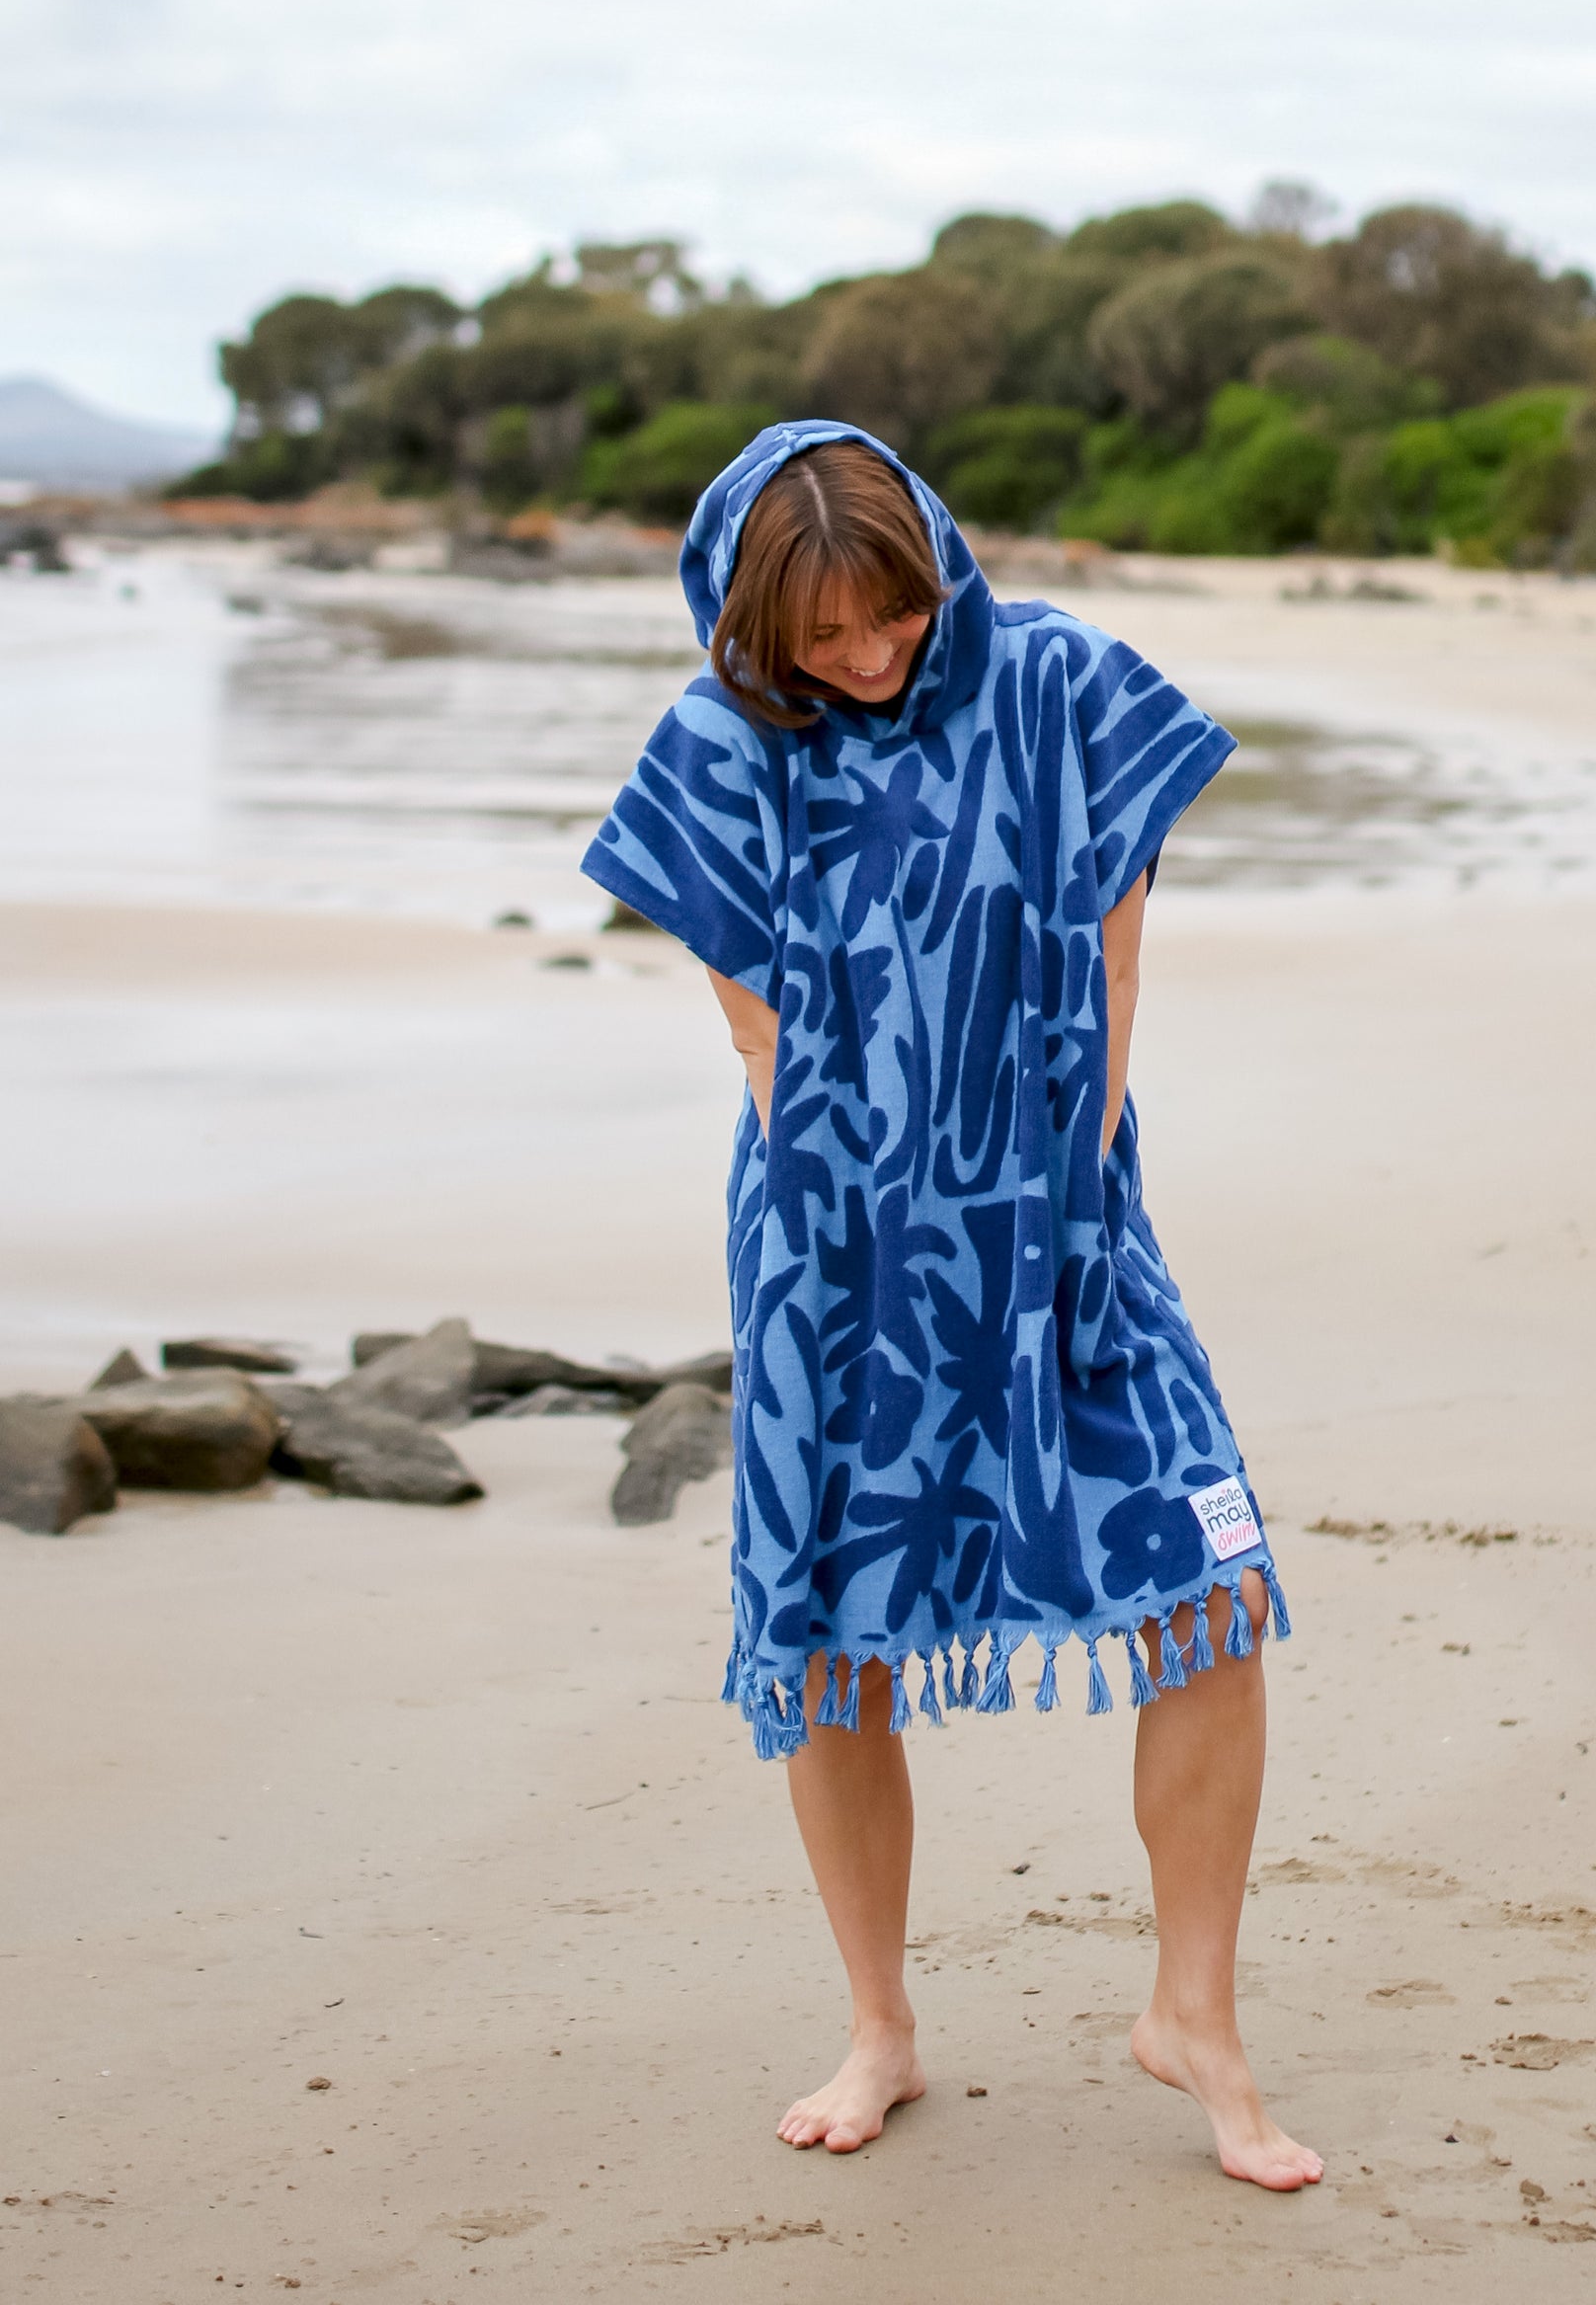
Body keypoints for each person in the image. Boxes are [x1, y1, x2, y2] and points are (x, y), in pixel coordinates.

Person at [583, 420, 1323, 2192]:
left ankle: (1194, 2020)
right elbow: (761, 1035)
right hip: (838, 1262)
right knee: (835, 1641)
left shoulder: (1063, 684)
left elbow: (1119, 958)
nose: (864, 657)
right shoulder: (720, 746)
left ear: (935, 565)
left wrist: (1064, 1206)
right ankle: (879, 2027)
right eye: (821, 637)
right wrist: (867, 1274)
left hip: (1066, 1233)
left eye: (890, 618)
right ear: (755, 624)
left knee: (1210, 1594)